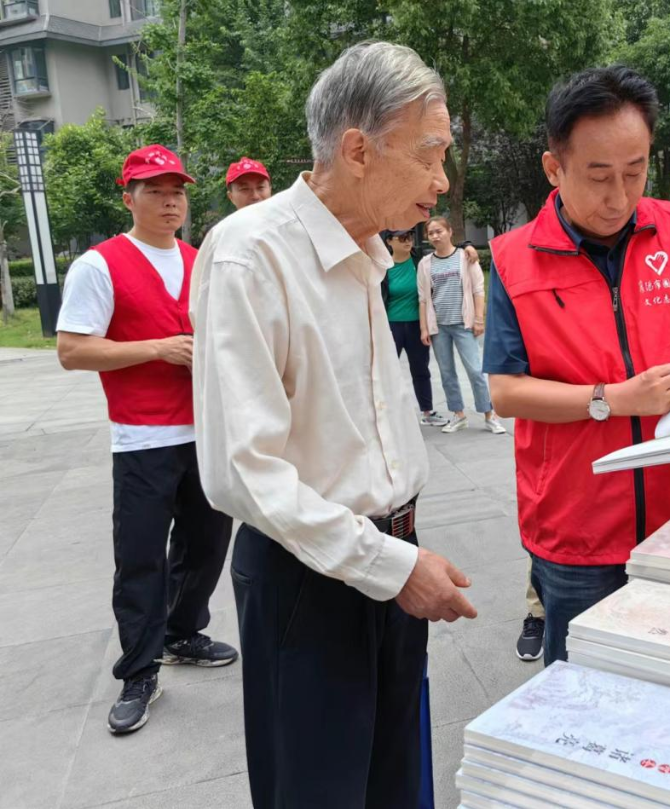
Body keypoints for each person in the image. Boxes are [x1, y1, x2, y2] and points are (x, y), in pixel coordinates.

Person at [191, 42, 477, 808]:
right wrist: (389, 562)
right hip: (307, 582)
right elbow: (242, 469)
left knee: (393, 783)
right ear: (357, 148)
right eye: (430, 154)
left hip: (387, 558)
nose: (442, 180)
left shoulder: (369, 255)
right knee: (318, 791)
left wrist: (400, 553)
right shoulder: (251, 255)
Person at [485, 66, 670, 665]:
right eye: (599, 176)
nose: (620, 197)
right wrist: (610, 398)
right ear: (554, 168)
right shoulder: (511, 258)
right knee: (582, 695)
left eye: (636, 172)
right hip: (577, 526)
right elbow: (505, 391)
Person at [55, 145, 237, 735]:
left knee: (206, 545)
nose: (169, 201)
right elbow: (73, 349)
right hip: (142, 438)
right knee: (140, 558)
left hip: (205, 432)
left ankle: (183, 632)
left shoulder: (199, 259)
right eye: (155, 191)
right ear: (128, 196)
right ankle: (138, 669)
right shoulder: (100, 264)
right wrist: (156, 348)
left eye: (177, 191)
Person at [417, 216, 506, 435]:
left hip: (463, 324)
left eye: (439, 231)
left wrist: (478, 319)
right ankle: (458, 415)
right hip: (439, 327)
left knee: (475, 371)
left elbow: (478, 289)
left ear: (449, 232)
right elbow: (423, 298)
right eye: (431, 233)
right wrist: (424, 328)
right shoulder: (425, 263)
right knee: (447, 373)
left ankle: (489, 414)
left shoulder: (465, 257)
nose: (436, 236)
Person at [382, 229, 450, 427]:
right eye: (402, 238)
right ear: (389, 241)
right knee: (388, 370)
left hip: (417, 325)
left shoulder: (421, 262)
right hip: (391, 326)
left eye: (410, 237)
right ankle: (389, 412)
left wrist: (468, 246)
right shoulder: (382, 267)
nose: (408, 241)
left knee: (420, 369)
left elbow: (447, 251)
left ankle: (427, 411)